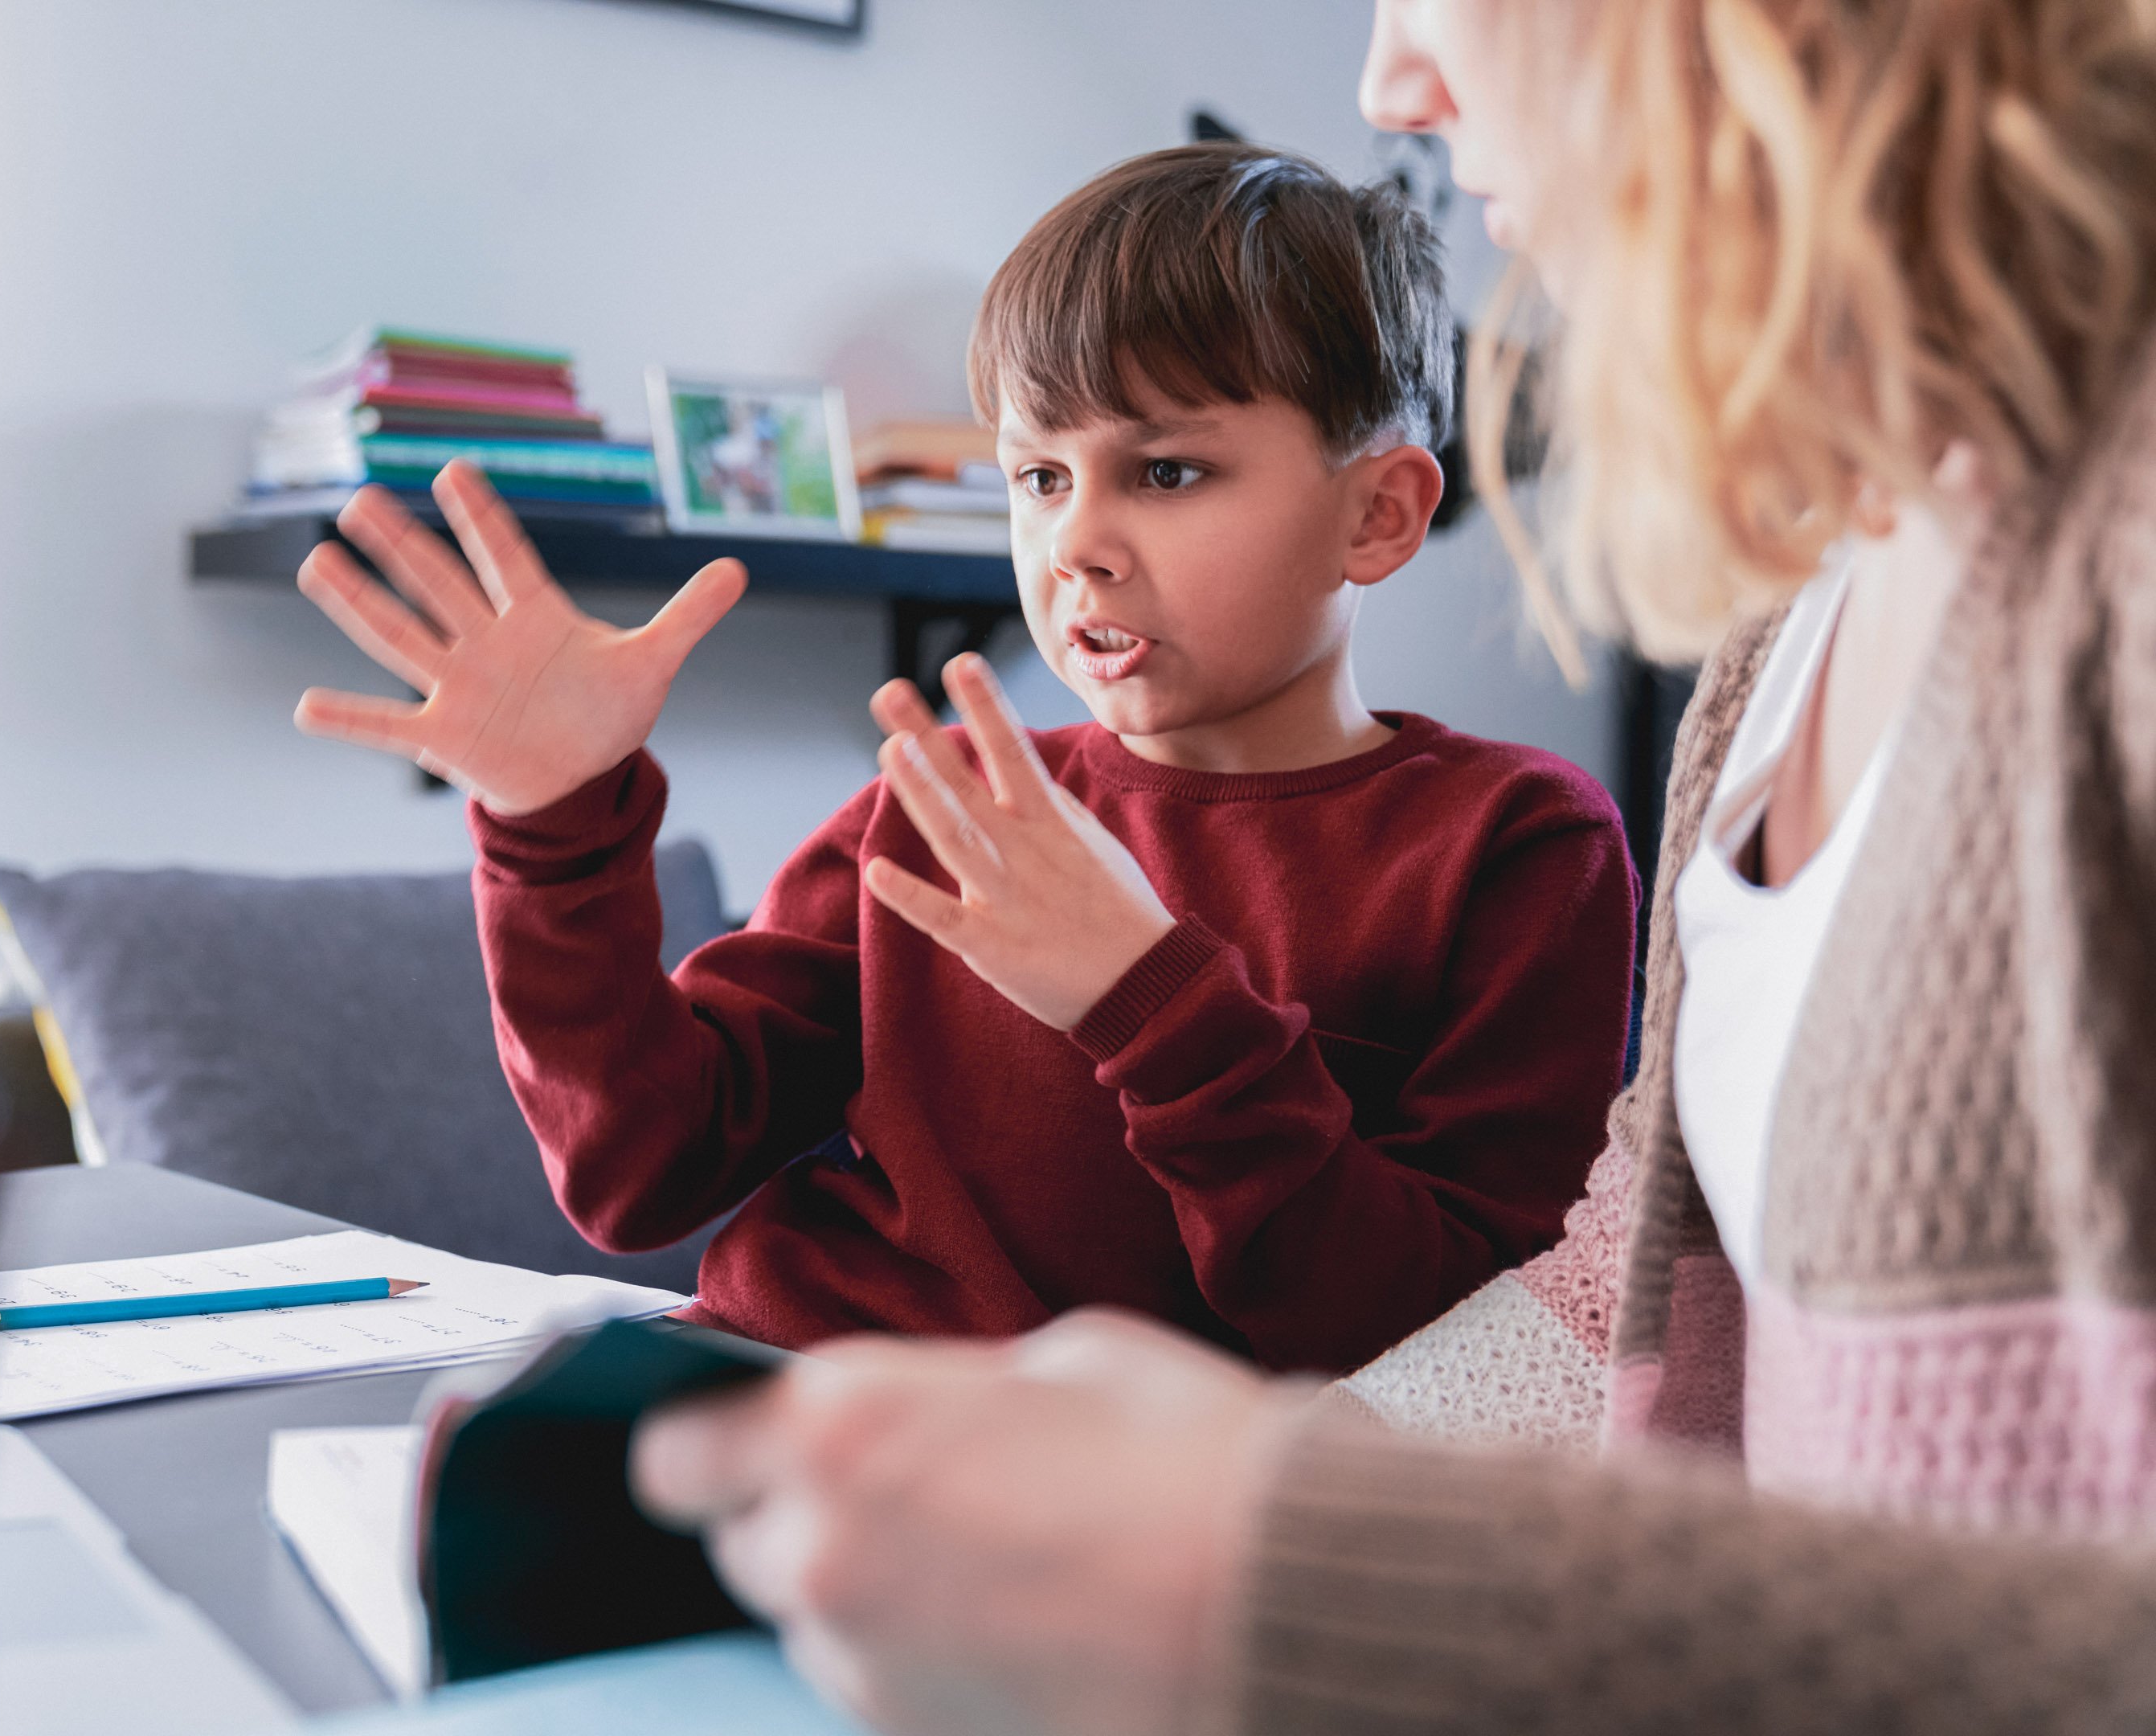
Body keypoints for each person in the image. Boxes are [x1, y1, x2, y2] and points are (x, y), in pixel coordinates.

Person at [626, 1, 2156, 1731]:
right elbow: (1608, 1300)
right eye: (1037, 474)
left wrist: (1282, 1555)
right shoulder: (1781, 636)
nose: (1388, 88)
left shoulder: (2097, 574)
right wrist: (1153, 1513)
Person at [289, 143, 1638, 1370]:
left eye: (1165, 473)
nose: (1077, 544)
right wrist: (554, 826)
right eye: (1039, 478)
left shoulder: (1518, 844)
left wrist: (1150, 1001)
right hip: (768, 1384)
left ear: (1380, 515)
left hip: (1086, 1510)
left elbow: (1441, 1337)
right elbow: (637, 1168)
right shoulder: (942, 803)